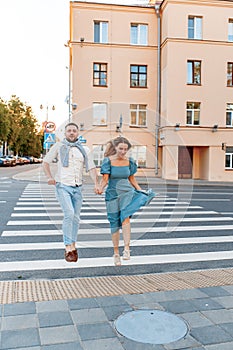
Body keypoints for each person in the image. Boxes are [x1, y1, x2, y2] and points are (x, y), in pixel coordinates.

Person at [43, 122, 99, 263]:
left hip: (78, 187)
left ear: (78, 133)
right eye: (69, 131)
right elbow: (45, 162)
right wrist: (49, 177)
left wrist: (97, 183)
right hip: (63, 186)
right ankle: (68, 247)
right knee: (69, 214)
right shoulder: (58, 146)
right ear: (65, 133)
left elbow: (91, 168)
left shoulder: (84, 149)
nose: (72, 133)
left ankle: (73, 245)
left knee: (75, 218)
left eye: (74, 130)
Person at [97, 136, 155, 266]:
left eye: (125, 149)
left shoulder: (130, 162)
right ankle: (116, 253)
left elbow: (132, 179)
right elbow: (105, 180)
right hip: (112, 194)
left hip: (127, 193)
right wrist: (100, 188)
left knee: (125, 217)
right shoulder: (108, 161)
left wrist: (141, 191)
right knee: (114, 223)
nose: (123, 151)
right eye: (120, 148)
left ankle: (127, 249)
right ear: (115, 148)